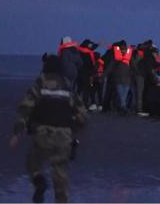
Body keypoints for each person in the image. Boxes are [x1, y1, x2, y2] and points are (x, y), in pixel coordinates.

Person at [9, 54, 87, 203]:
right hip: (64, 135)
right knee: (60, 171)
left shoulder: (40, 83)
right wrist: (74, 130)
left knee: (32, 162)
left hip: (43, 133)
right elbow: (82, 114)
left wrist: (17, 132)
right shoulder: (67, 85)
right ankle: (61, 200)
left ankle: (39, 181)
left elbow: (25, 108)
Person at [102, 40, 132, 115]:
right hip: (126, 79)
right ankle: (123, 108)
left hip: (118, 79)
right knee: (123, 96)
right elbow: (134, 66)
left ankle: (122, 108)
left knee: (121, 96)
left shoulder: (116, 56)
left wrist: (103, 75)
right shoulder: (128, 56)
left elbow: (110, 67)